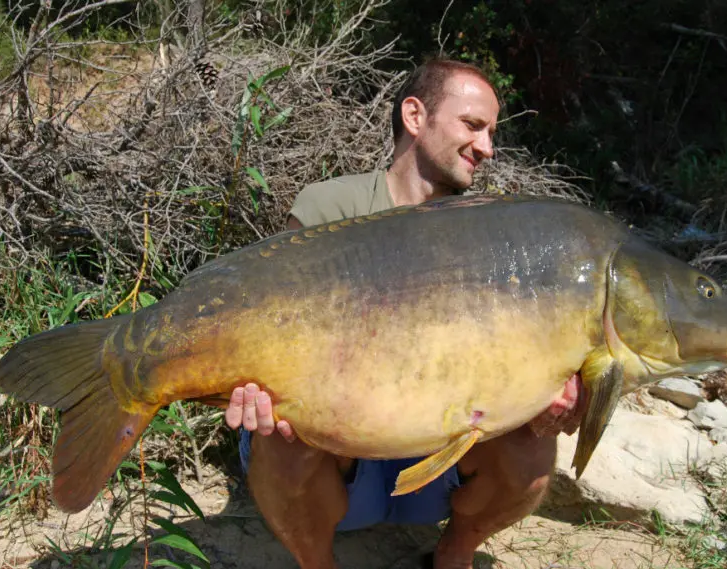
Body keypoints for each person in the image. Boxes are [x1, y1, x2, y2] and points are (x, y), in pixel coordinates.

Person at [224, 57, 585, 569]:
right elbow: (276, 332)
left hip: (433, 471)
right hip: (338, 470)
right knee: (284, 427)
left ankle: (454, 554)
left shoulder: (493, 234)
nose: (487, 147)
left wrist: (549, 401)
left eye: (491, 132)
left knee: (533, 446)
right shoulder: (330, 207)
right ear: (415, 116)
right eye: (473, 125)